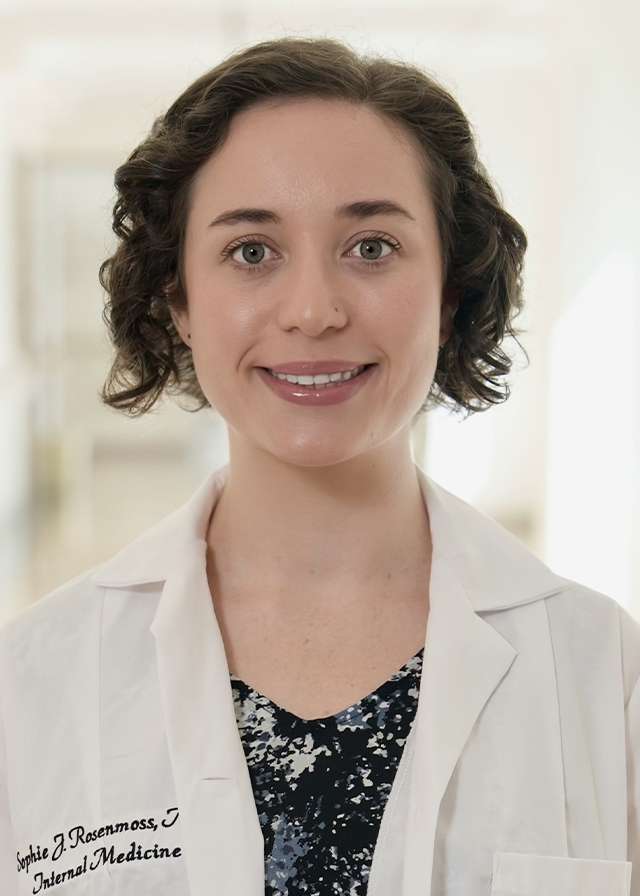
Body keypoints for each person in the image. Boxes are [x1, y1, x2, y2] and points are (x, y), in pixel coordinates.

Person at [0, 35, 638, 896]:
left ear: (449, 292)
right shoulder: (31, 683)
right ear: (179, 299)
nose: (312, 311)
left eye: (371, 247)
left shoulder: (605, 674)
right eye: (251, 252)